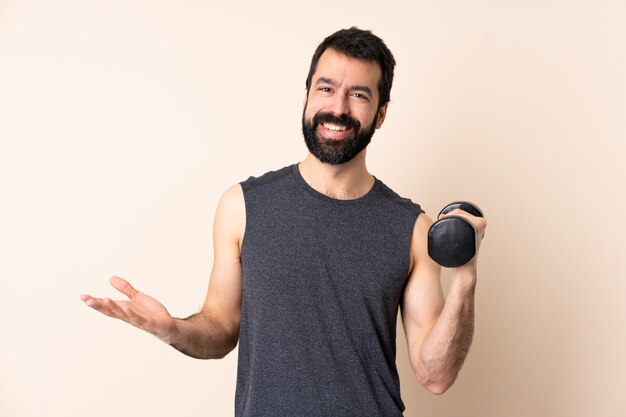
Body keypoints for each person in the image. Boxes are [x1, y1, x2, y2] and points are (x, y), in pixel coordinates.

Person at [81, 27, 487, 417]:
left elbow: (435, 375)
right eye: (326, 88)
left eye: (358, 94)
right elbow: (221, 327)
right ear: (308, 95)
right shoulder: (243, 206)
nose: (338, 108)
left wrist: (465, 278)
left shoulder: (411, 229)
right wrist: (172, 329)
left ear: (380, 113)